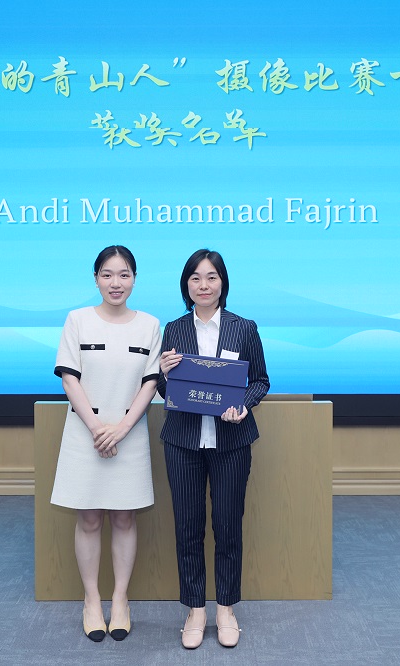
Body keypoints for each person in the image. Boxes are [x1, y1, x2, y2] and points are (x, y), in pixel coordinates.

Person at [156, 248, 270, 649]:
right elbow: (166, 389)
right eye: (195, 278)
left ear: (223, 283)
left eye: (211, 277)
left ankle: (225, 608)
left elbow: (260, 381)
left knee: (227, 526)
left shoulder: (244, 328)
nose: (203, 285)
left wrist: (245, 405)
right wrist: (162, 374)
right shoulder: (173, 329)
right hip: (183, 442)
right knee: (187, 528)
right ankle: (194, 609)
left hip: (232, 442)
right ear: (186, 285)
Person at [50, 245, 161, 642]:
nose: (116, 283)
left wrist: (122, 428)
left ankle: (120, 599)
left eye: (124, 274)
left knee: (125, 518)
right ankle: (92, 601)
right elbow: (69, 378)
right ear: (96, 279)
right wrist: (99, 428)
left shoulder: (150, 325)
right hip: (86, 433)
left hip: (129, 434)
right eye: (108, 274)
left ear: (134, 279)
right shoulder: (77, 320)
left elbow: (151, 382)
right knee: (89, 519)